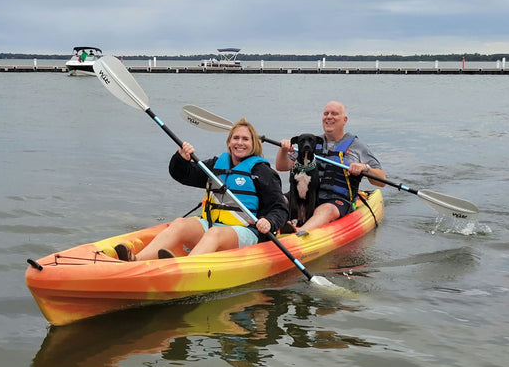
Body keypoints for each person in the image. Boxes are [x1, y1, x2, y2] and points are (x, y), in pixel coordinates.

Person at [115, 118, 288, 261]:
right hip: (212, 225)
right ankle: (136, 260)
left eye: (245, 139)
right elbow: (183, 175)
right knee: (180, 224)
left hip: (246, 233)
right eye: (236, 138)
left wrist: (270, 221)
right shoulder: (215, 165)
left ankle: (184, 268)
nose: (240, 143)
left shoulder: (262, 172)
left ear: (253, 144)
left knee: (215, 234)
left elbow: (279, 207)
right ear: (229, 142)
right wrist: (181, 158)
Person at [275, 101, 386, 232]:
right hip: (307, 197)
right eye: (326, 113)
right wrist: (283, 149)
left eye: (334, 114)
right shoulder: (311, 142)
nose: (329, 117)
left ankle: (299, 232)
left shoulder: (357, 146)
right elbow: (282, 166)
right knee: (277, 198)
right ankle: (265, 225)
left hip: (336, 200)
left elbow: (381, 180)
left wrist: (365, 168)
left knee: (326, 209)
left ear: (344, 120)